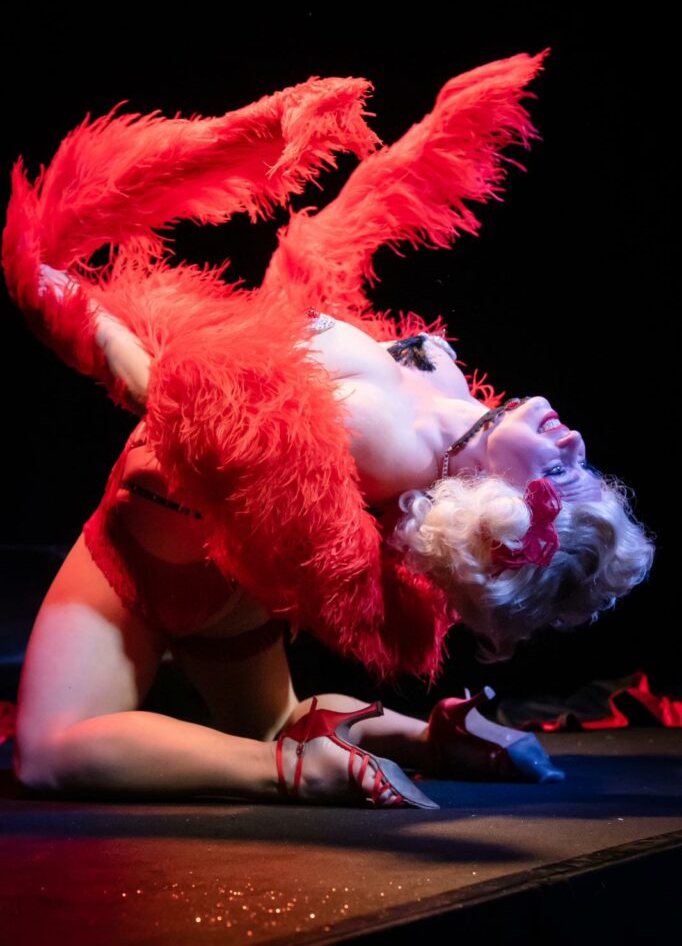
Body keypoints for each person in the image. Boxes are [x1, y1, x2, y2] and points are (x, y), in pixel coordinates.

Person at [3, 55, 653, 808]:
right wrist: (415, 153)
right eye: (583, 465)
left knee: (48, 751)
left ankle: (296, 773)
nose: (575, 443)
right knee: (275, 716)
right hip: (219, 575)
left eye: (561, 472)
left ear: (502, 508)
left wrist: (68, 305)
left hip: (152, 545)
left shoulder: (380, 441)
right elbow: (306, 302)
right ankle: (432, 737)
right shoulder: (445, 409)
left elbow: (176, 400)